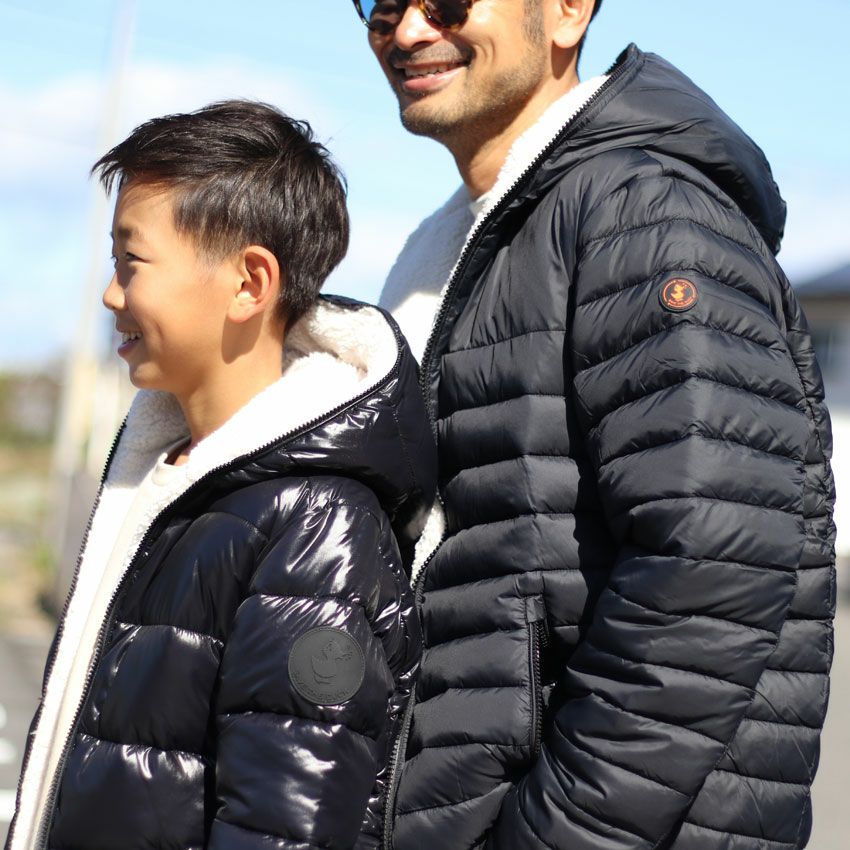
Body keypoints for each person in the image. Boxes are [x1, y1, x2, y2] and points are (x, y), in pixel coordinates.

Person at [351, 1, 837, 848]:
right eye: (380, 4)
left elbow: (710, 573)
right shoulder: (458, 242)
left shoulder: (648, 214)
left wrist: (555, 834)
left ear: (568, 11)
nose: (409, 30)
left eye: (448, 1)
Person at [5, 99, 436, 850]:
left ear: (248, 283)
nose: (111, 293)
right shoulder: (169, 478)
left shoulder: (318, 527)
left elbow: (287, 827)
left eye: (132, 262)